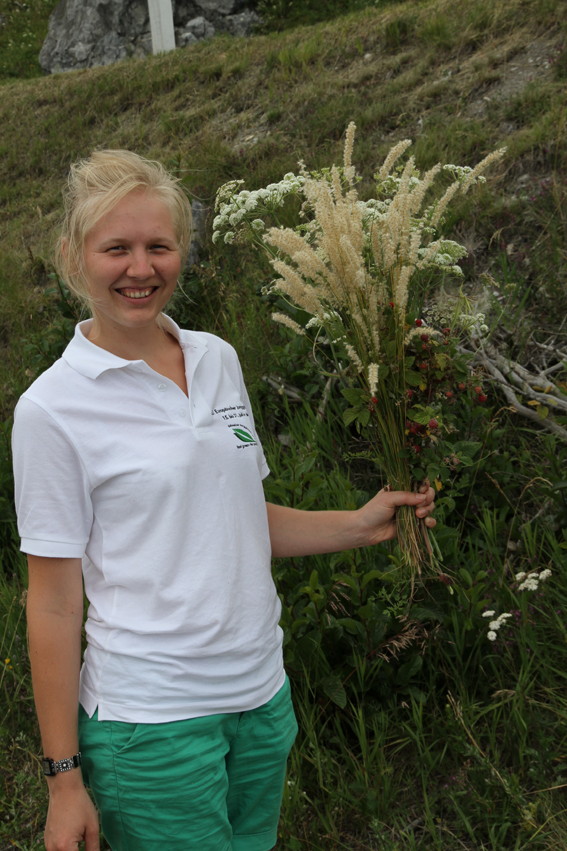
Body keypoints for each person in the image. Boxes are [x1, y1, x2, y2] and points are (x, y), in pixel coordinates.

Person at [11, 150, 436, 851]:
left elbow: (229, 519)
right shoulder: (53, 408)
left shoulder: (216, 358)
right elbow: (53, 601)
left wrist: (357, 526)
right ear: (72, 256)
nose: (140, 269)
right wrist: (64, 780)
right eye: (116, 247)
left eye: (159, 246)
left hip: (262, 698)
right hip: (151, 724)